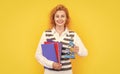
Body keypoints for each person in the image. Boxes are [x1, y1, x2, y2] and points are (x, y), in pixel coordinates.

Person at [35, 4, 88, 74]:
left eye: (62, 16)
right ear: (53, 18)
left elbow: (85, 53)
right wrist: (51, 64)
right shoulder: (46, 34)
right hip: (49, 72)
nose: (60, 19)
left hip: (67, 72)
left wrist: (78, 50)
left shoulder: (72, 35)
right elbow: (38, 55)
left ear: (66, 18)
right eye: (57, 16)